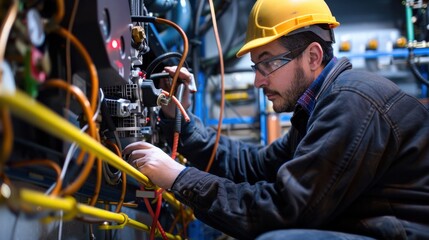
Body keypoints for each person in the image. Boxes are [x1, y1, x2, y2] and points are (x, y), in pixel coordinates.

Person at [123, 0, 429, 239]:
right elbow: (252, 167)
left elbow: (285, 211)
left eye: (266, 63)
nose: (257, 80)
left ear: (312, 56)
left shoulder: (352, 103)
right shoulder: (318, 109)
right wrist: (182, 122)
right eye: (256, 66)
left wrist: (180, 177)